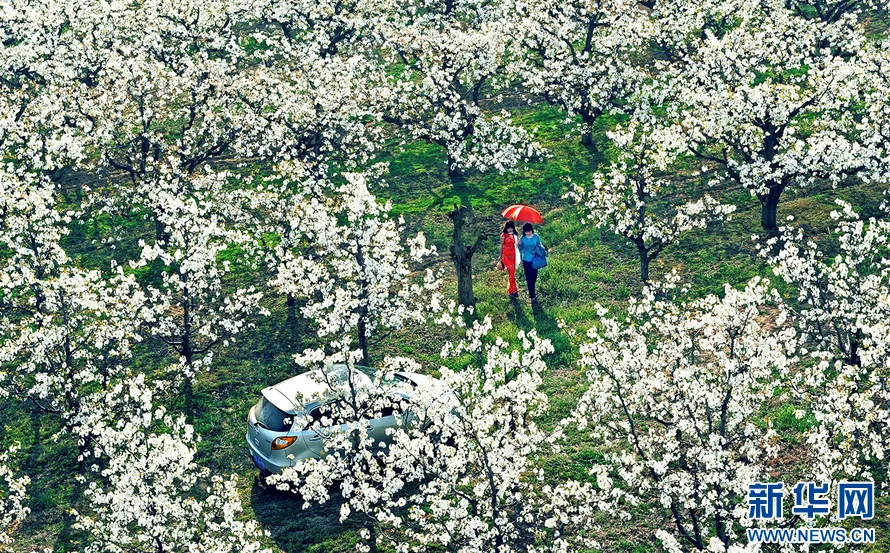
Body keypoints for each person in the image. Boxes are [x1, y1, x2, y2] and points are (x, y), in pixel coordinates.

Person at [519, 222, 543, 304]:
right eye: (526, 232)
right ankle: (532, 296)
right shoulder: (522, 238)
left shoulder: (536, 236)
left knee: (534, 277)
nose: (528, 233)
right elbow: (520, 249)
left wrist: (536, 250)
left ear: (532, 230)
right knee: (529, 278)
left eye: (529, 231)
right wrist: (519, 244)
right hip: (526, 260)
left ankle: (532, 289)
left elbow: (540, 246)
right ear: (524, 232)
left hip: (535, 260)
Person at [499, 220, 520, 299]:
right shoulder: (504, 235)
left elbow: (516, 244)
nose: (510, 229)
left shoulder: (515, 235)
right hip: (506, 255)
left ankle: (513, 289)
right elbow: (501, 246)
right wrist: (500, 256)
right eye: (509, 228)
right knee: (511, 274)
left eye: (511, 228)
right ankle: (513, 291)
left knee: (513, 274)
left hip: (513, 255)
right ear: (506, 228)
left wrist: (518, 243)